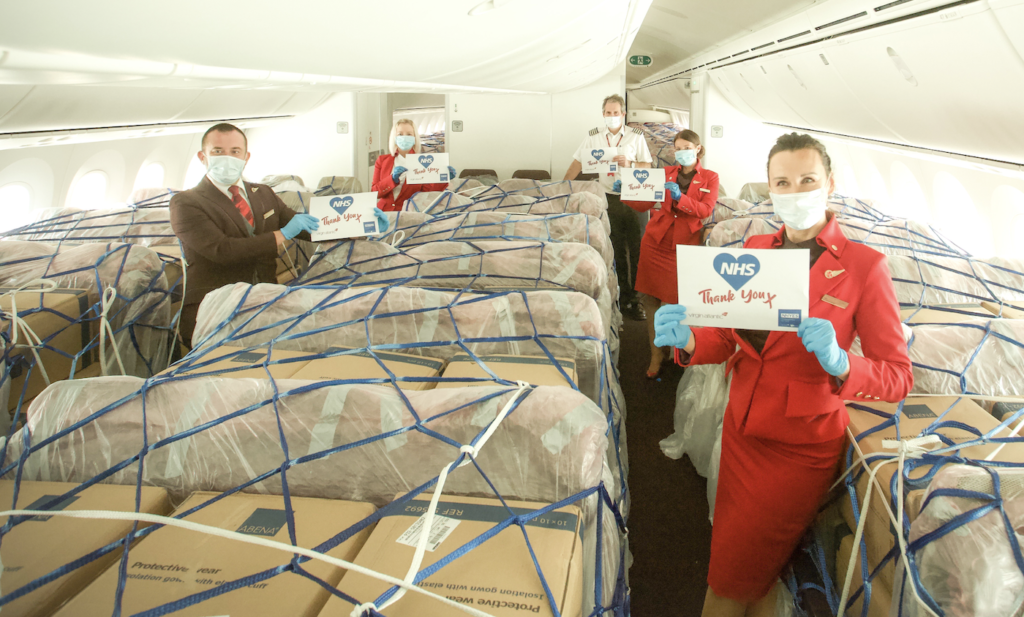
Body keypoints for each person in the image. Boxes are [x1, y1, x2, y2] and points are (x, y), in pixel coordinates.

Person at [653, 133, 913, 617]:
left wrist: (842, 363)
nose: (795, 192)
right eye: (783, 183)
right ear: (770, 190)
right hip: (741, 432)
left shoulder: (864, 268)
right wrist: (689, 341)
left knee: (728, 579)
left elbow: (898, 377)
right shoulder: (754, 250)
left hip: (797, 449)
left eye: (807, 180)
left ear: (829, 183)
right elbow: (731, 340)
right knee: (750, 573)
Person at [169, 123, 389, 348]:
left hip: (265, 302)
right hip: (214, 311)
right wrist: (281, 234)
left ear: (246, 157)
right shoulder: (186, 202)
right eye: (217, 151)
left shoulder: (262, 193)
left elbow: (307, 227)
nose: (227, 157)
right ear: (202, 156)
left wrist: (360, 224)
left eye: (235, 151)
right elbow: (223, 251)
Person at [616, 130, 718, 378]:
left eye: (686, 147)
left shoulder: (710, 178)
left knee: (672, 304)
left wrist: (680, 198)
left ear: (697, 148)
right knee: (650, 300)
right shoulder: (665, 173)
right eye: (677, 147)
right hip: (656, 242)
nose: (681, 151)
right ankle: (655, 354)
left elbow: (705, 210)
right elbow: (646, 203)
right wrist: (627, 193)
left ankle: (676, 348)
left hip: (683, 247)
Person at [564, 94, 653, 321]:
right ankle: (620, 296)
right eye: (608, 113)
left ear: (623, 114)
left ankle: (637, 299)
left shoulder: (636, 136)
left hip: (635, 195)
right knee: (614, 248)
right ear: (603, 114)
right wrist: (563, 187)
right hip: (608, 198)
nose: (612, 117)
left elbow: (647, 164)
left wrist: (630, 164)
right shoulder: (594, 137)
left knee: (637, 249)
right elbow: (577, 162)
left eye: (616, 113)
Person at [373, 118, 458, 211]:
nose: (404, 137)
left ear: (414, 137)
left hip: (408, 213)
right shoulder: (382, 160)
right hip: (383, 213)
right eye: (400, 134)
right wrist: (391, 180)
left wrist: (444, 178)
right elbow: (375, 192)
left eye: (409, 134)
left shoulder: (421, 162)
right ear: (394, 137)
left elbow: (429, 191)